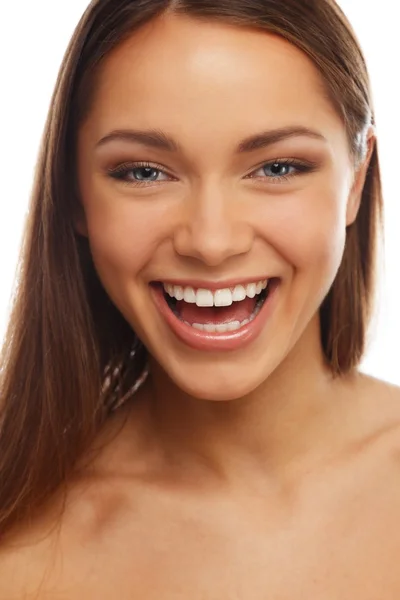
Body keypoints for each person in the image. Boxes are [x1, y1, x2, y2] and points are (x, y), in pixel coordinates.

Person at [0, 0, 399, 596]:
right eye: (143, 172)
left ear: (357, 180)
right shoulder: (18, 551)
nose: (211, 242)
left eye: (278, 167)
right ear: (76, 194)